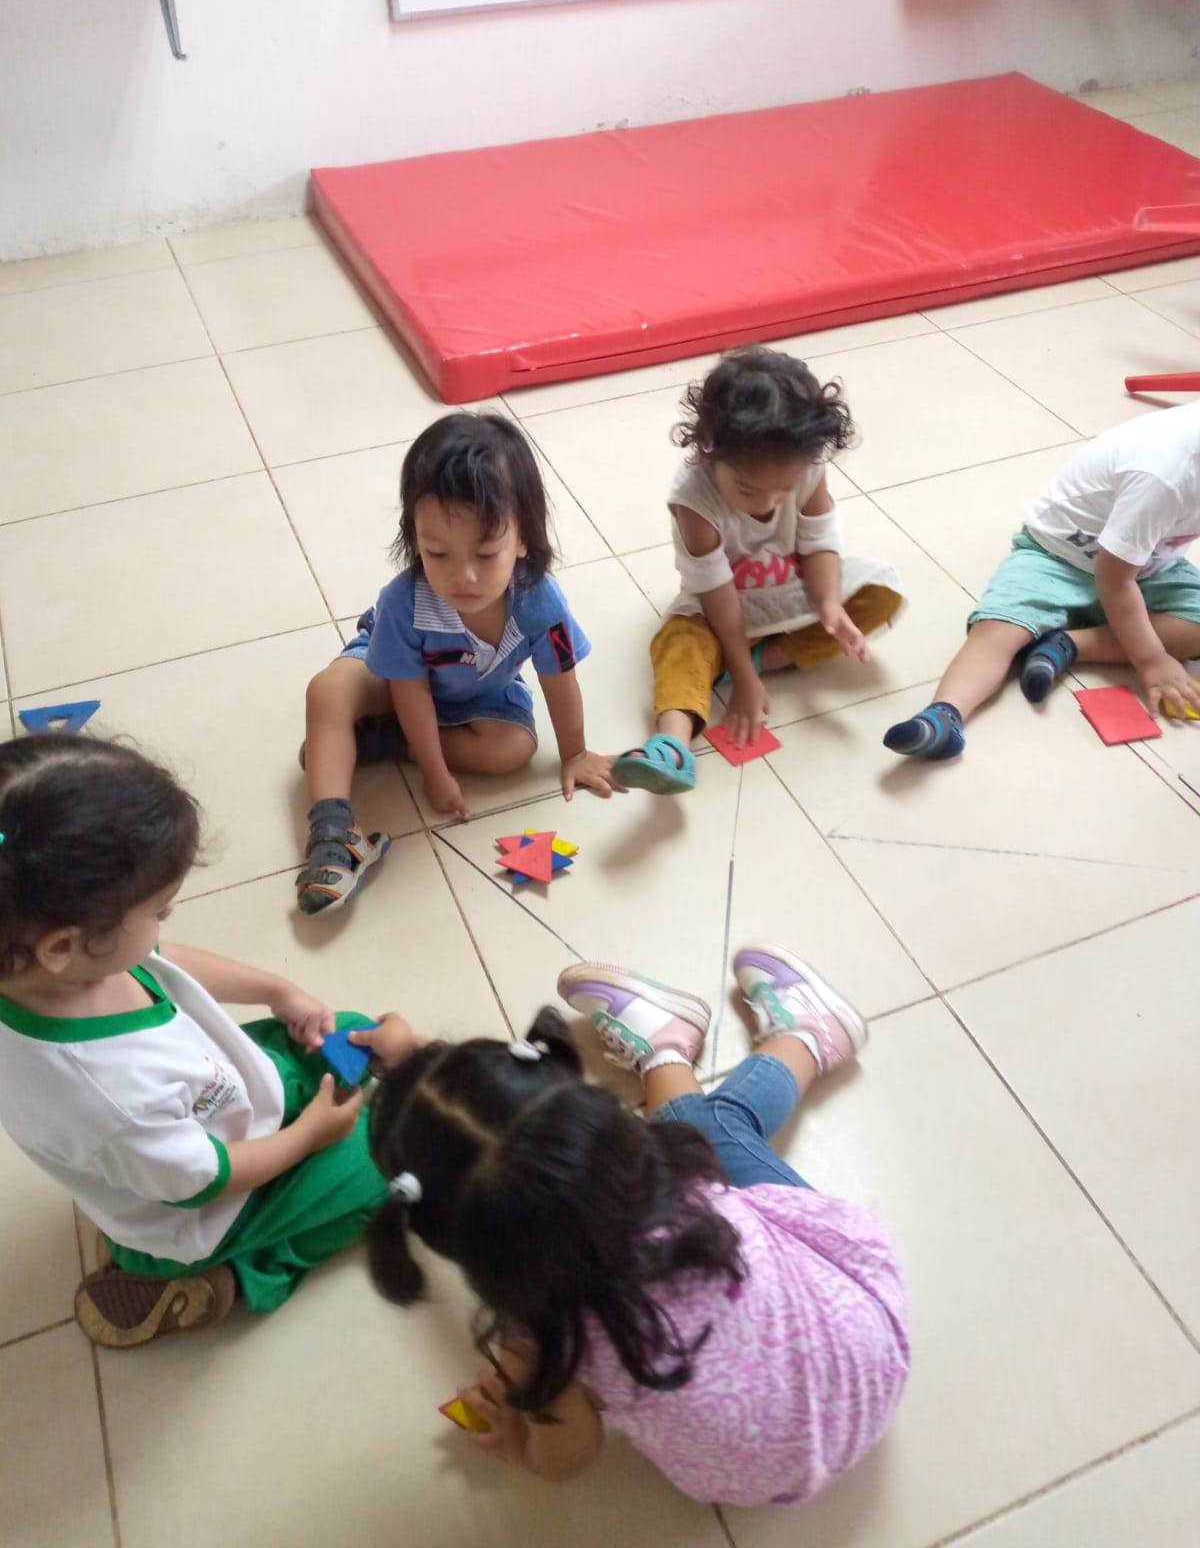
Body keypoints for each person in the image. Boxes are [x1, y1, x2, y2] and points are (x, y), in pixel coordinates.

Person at [355, 945, 909, 1508]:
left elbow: (566, 1456)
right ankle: (776, 1037)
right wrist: (421, 1060)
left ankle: (696, 1042)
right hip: (871, 1347)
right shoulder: (668, 1173)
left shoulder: (539, 1339)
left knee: (707, 1124)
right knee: (704, 1124)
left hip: (767, 1478)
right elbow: (511, 1133)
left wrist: (518, 1448)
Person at [0, 733, 389, 1349]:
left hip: (212, 1099)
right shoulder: (108, 1097)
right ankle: (234, 1274)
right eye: (159, 909)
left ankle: (286, 1123)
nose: (168, 918)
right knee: (385, 1164)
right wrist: (308, 1137)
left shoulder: (46, 965)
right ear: (62, 946)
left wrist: (275, 990)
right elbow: (209, 1178)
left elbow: (165, 959)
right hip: (210, 1207)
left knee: (352, 1028)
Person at [298, 411, 619, 912]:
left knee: (515, 749)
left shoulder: (540, 601)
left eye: (485, 554)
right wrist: (434, 770)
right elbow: (408, 687)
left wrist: (574, 752)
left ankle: (383, 740)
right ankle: (333, 833)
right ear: (415, 539)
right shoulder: (404, 602)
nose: (462, 576)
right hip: (394, 680)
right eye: (437, 552)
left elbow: (560, 679)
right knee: (328, 691)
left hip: (478, 692)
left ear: (524, 540)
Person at [610, 346, 904, 793]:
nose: (768, 504)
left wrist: (828, 604)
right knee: (678, 644)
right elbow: (715, 591)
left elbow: (820, 540)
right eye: (748, 490)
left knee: (881, 589)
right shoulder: (694, 500)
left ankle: (754, 660)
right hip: (719, 610)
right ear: (709, 450)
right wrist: (744, 680)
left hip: (792, 595)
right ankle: (672, 744)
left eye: (784, 489)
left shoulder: (808, 465)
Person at [884, 402, 1200, 761]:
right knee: (998, 629)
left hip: (1151, 565)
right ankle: (943, 716)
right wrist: (1152, 659)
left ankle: (1067, 644)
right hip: (1057, 554)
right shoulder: (1164, 473)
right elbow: (1115, 579)